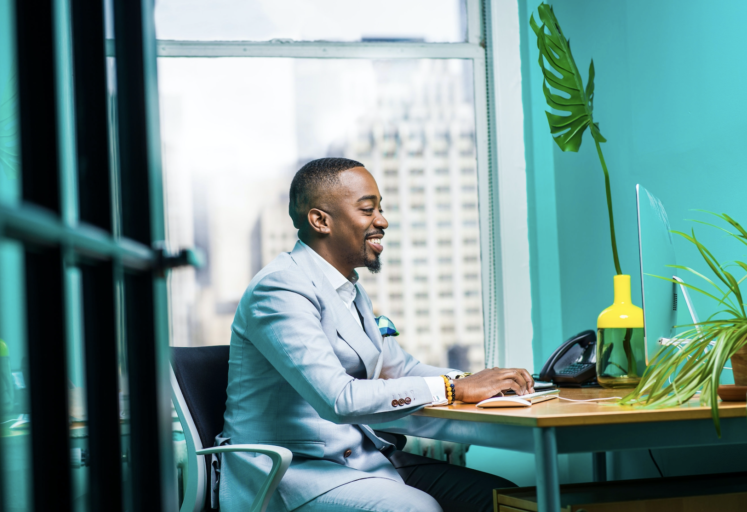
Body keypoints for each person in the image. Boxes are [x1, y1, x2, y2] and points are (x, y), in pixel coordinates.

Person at [217, 158, 535, 512]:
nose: (382, 220)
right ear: (320, 220)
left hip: (361, 462)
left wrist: (474, 380)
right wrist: (452, 389)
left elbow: (398, 369)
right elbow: (339, 399)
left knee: (501, 498)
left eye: (380, 209)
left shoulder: (348, 289)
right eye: (368, 209)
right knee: (416, 509)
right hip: (291, 474)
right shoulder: (279, 289)